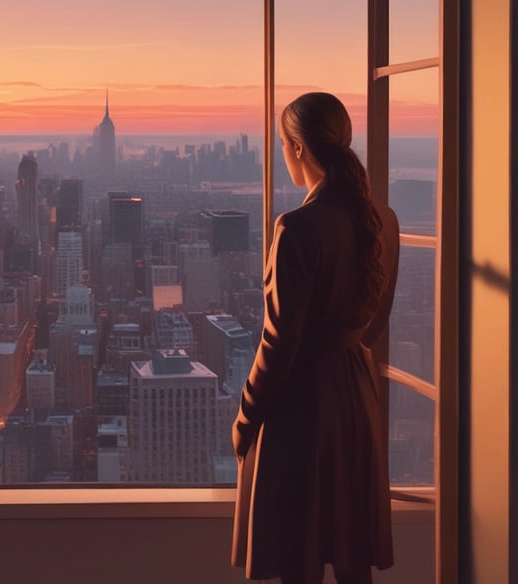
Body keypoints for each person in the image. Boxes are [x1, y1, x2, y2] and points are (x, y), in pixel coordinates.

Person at [230, 92, 400, 584]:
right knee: (351, 558)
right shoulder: (382, 221)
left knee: (299, 560)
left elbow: (278, 343)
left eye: (283, 144)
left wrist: (245, 416)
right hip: (357, 401)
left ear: (299, 149)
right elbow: (372, 326)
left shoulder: (297, 227)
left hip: (303, 407)